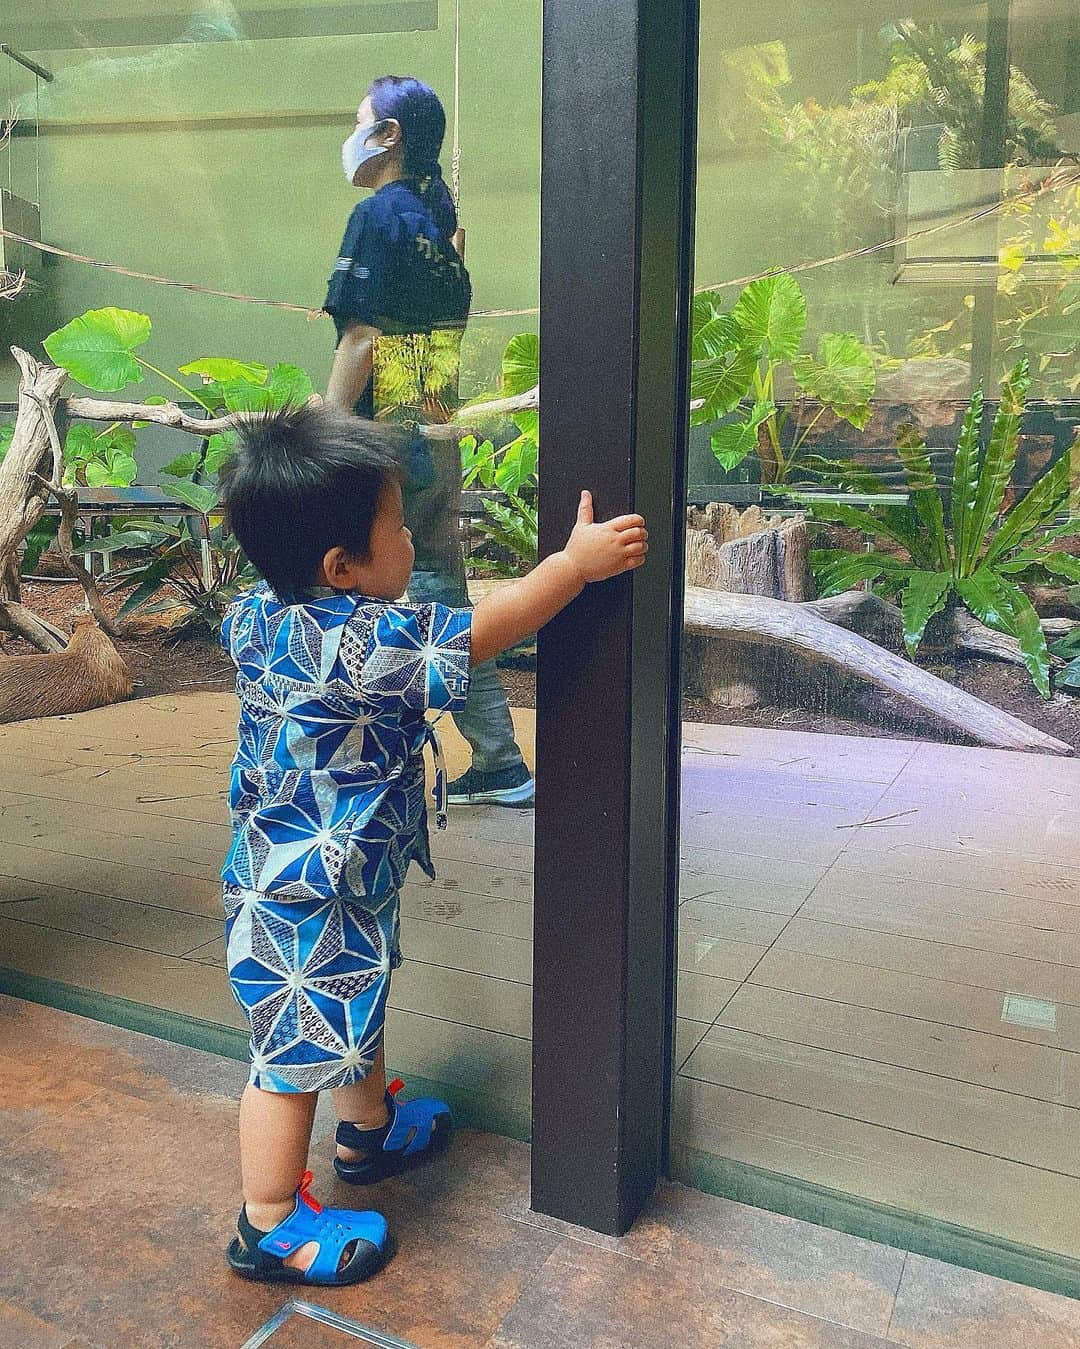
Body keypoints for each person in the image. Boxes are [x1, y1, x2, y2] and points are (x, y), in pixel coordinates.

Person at [217, 404, 648, 1284]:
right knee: (291, 1052)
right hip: (305, 898)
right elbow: (485, 632)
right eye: (397, 527)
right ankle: (267, 1221)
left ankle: (369, 1130)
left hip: (311, 876)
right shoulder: (366, 643)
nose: (412, 538)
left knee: (351, 1002)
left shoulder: (258, 615)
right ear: (342, 568)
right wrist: (573, 563)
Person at [324, 74, 534, 808]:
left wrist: (330, 427)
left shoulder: (378, 216)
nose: (349, 136)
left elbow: (360, 338)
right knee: (438, 591)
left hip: (385, 434)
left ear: (389, 136)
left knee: (378, 593)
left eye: (359, 122)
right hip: (434, 429)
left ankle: (455, 759)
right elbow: (432, 352)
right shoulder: (441, 234)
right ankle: (495, 759)